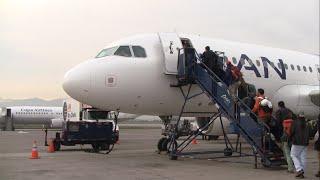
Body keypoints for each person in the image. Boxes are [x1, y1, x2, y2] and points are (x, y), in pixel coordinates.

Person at [275, 101, 295, 173]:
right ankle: (294, 164)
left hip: (284, 133)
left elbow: (278, 122)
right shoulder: (289, 110)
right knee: (292, 151)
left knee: (286, 151)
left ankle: (290, 166)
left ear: (279, 105)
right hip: (292, 135)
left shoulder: (278, 111)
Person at [290, 112, 309, 179]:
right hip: (305, 142)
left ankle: (299, 169)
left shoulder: (295, 122)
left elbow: (291, 132)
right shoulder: (306, 123)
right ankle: (302, 171)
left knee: (293, 155)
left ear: (298, 116)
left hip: (297, 142)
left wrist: (290, 138)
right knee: (302, 156)